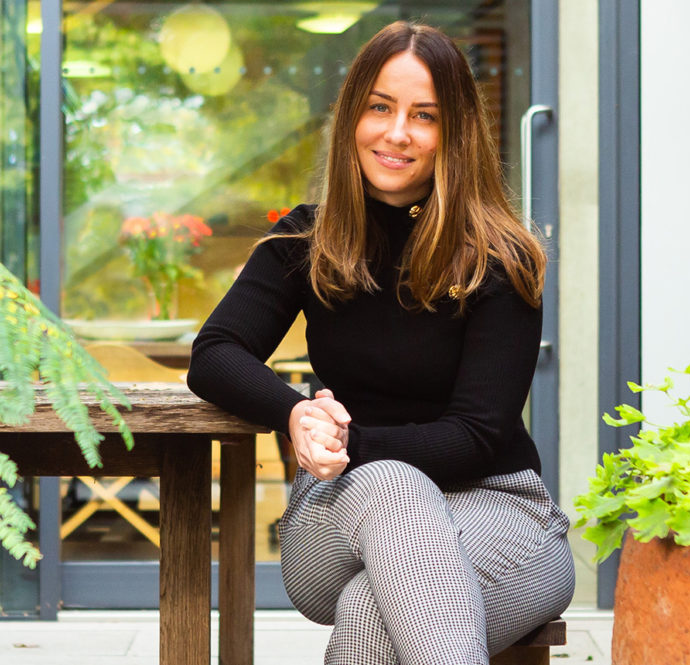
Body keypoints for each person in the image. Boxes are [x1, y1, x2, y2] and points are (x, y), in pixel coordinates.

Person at [185, 21, 573, 664]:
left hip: (500, 513)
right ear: (351, 118)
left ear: (456, 132)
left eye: (424, 116)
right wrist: (296, 414)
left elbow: (476, 435)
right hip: (340, 514)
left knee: (373, 608)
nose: (397, 133)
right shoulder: (307, 240)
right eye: (380, 108)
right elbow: (216, 353)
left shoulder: (499, 259)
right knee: (391, 484)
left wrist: (350, 442)